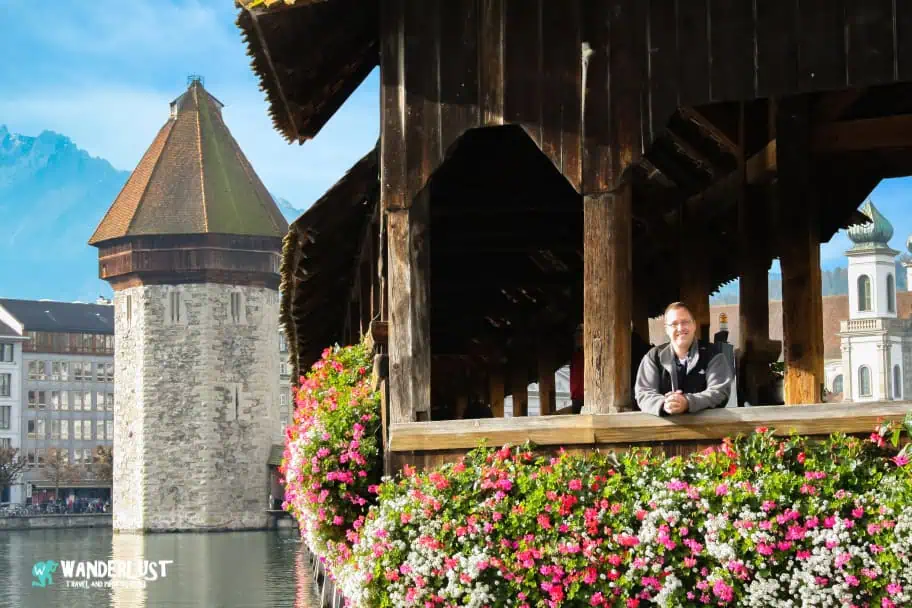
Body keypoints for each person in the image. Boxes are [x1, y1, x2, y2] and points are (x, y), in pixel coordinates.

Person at [635, 302, 732, 416]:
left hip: (706, 429)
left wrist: (687, 402)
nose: (680, 328)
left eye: (685, 322)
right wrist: (665, 404)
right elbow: (643, 393)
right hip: (663, 429)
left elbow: (719, 392)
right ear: (666, 329)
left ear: (694, 325)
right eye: (674, 324)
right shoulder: (653, 357)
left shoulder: (713, 355)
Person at [569, 324, 584, 413]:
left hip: (588, 395)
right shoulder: (575, 355)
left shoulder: (588, 354)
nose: (578, 338)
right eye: (577, 335)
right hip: (576, 396)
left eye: (580, 334)